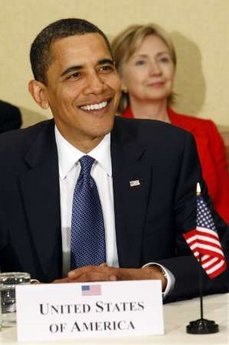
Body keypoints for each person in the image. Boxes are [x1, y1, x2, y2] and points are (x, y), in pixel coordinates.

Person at [0, 18, 228, 303]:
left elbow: (216, 256)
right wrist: (39, 294)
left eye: (105, 68)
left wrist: (146, 278)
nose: (98, 87)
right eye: (74, 75)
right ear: (41, 94)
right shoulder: (6, 161)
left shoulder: (167, 150)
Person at [111, 23, 229, 225]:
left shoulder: (205, 131)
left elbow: (223, 207)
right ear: (120, 80)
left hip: (207, 249)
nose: (156, 70)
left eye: (163, 59)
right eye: (141, 62)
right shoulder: (109, 135)